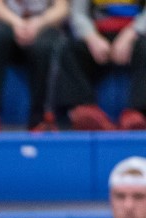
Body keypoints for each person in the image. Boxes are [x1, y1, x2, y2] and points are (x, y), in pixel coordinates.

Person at [0, 0, 68, 133]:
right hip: (11, 25)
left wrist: (38, 23)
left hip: (44, 28)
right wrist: (17, 23)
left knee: (46, 46)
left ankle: (40, 117)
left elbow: (62, 8)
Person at [53, 0, 146, 130]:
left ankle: (139, 113)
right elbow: (78, 14)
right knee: (69, 48)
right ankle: (83, 109)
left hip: (136, 33)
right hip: (97, 33)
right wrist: (91, 38)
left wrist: (132, 34)